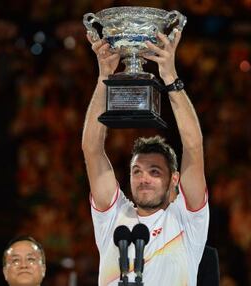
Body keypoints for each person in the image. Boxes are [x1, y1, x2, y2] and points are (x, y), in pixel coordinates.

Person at [82, 29, 209, 286]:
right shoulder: (113, 217)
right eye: (137, 171)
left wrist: (170, 77)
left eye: (154, 172)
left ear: (174, 179)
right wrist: (104, 76)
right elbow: (92, 149)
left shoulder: (186, 221)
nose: (143, 179)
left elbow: (193, 147)